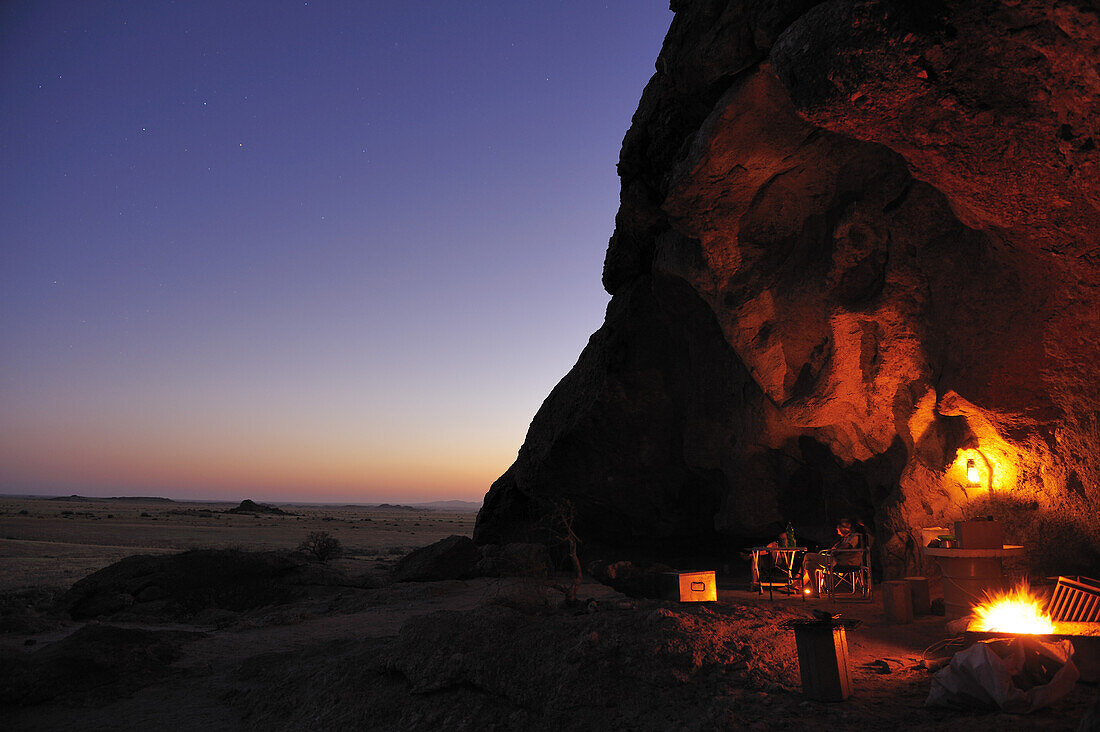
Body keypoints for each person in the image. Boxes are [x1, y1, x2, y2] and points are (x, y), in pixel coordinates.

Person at [801, 518, 864, 595]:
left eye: (838, 528)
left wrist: (833, 551)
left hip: (841, 562)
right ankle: (815, 591)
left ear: (843, 529)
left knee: (808, 555)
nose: (837, 530)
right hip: (835, 560)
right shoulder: (844, 539)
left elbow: (845, 548)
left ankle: (799, 583)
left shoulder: (854, 537)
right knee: (809, 564)